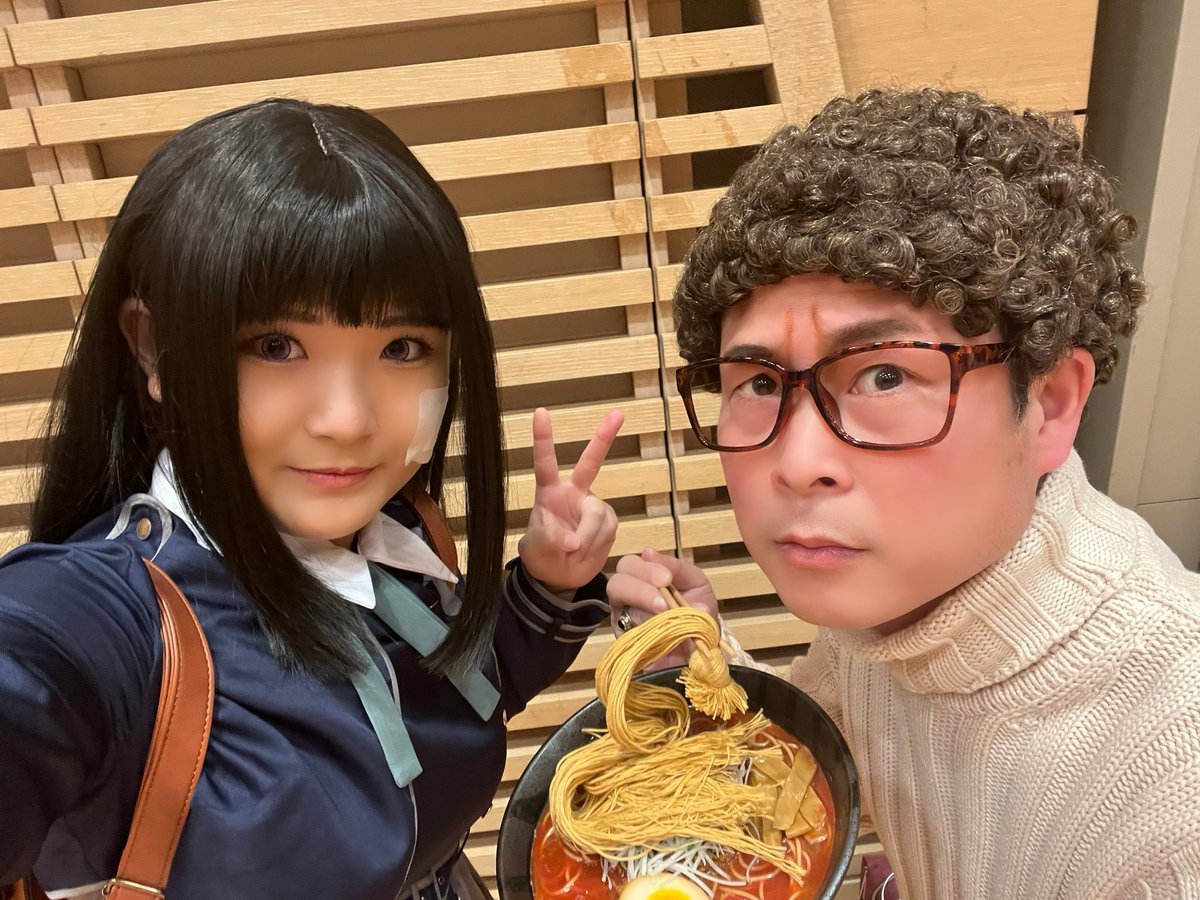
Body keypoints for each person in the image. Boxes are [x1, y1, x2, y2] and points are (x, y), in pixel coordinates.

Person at [0, 98, 623, 900]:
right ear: (154, 347)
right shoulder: (111, 624)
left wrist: (547, 588)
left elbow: (448, 694)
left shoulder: (398, 526)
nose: (349, 422)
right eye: (276, 346)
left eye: (402, 347)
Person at [607, 88, 1200, 898]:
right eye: (758, 382)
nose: (798, 462)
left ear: (1052, 403)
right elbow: (833, 749)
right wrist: (711, 665)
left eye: (885, 375)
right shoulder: (901, 605)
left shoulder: (1174, 787)